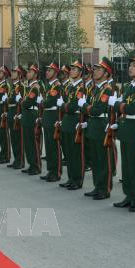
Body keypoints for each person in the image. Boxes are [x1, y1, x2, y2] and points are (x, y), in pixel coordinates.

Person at [110, 52, 135, 212]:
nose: (131, 68)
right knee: (126, 166)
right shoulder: (129, 87)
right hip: (126, 127)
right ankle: (128, 195)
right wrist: (121, 106)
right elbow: (126, 107)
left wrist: (118, 105)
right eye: (130, 65)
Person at [79, 57, 114, 200]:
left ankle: (104, 188)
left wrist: (85, 107)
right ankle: (97, 186)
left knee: (103, 160)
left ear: (106, 73)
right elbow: (90, 109)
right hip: (93, 126)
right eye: (95, 69)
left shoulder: (107, 90)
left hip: (101, 126)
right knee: (95, 159)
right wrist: (88, 108)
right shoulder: (94, 89)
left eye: (99, 69)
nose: (95, 71)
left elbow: (97, 110)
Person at [58, 60, 85, 189]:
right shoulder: (69, 86)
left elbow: (73, 106)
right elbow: (66, 104)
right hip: (67, 122)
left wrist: (64, 106)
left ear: (80, 72)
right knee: (68, 153)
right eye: (72, 69)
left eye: (75, 69)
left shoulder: (82, 87)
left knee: (75, 153)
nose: (71, 71)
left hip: (75, 121)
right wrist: (65, 106)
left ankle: (77, 179)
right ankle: (70, 178)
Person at [38, 62, 62, 182]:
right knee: (48, 147)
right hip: (47, 116)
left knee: (54, 147)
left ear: (55, 73)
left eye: (50, 71)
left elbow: (49, 102)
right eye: (47, 70)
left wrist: (42, 102)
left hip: (53, 116)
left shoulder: (56, 86)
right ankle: (50, 170)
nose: (47, 72)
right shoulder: (49, 86)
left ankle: (56, 172)